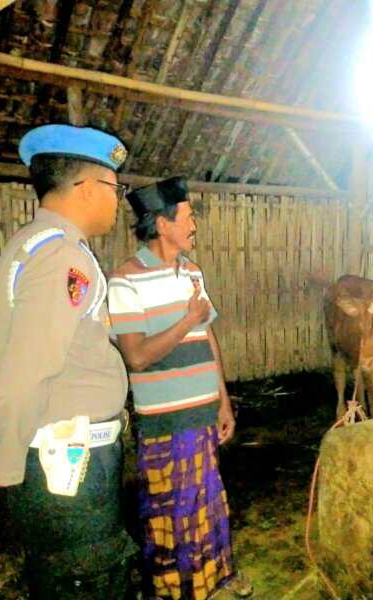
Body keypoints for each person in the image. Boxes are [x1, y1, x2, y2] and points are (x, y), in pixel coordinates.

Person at [0, 124, 137, 598]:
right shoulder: (63, 259)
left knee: (62, 576)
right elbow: (28, 371)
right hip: (71, 467)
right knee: (89, 578)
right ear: (85, 187)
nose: (118, 201)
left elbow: (10, 360)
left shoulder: (30, 247)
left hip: (55, 456)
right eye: (115, 188)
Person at [108, 176, 252, 600]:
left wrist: (223, 402)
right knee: (171, 510)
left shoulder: (192, 273)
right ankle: (175, 590)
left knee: (208, 500)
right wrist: (187, 319)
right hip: (165, 422)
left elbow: (207, 338)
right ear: (162, 223)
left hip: (203, 412)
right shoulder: (125, 282)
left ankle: (219, 577)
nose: (194, 226)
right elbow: (136, 356)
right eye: (187, 217)